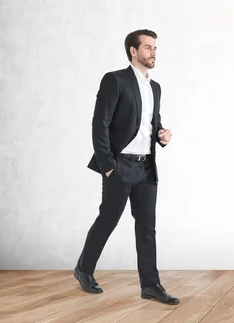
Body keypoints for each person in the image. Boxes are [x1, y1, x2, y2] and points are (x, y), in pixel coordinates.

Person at [73, 29, 179, 305]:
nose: (153, 51)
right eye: (147, 47)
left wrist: (162, 134)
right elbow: (100, 124)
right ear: (133, 51)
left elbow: (150, 124)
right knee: (108, 220)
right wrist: (108, 165)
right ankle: (83, 270)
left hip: (146, 168)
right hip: (120, 166)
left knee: (147, 228)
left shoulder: (155, 87)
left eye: (155, 47)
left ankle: (151, 285)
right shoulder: (115, 80)